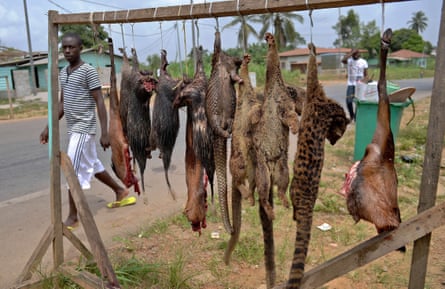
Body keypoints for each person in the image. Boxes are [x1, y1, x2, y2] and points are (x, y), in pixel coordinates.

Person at [40, 32, 132, 229]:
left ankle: (73, 217)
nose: (67, 51)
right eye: (64, 47)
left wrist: (105, 132)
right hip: (73, 128)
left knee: (72, 170)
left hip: (84, 128)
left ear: (80, 48)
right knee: (93, 164)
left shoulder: (88, 71)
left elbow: (99, 100)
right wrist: (50, 126)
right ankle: (120, 191)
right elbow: (62, 103)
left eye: (71, 47)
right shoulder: (64, 72)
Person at [341, 49, 368, 122]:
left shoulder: (363, 62)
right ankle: (351, 115)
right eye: (354, 53)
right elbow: (343, 60)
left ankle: (356, 117)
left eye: (357, 53)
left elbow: (366, 74)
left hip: (360, 84)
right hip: (351, 84)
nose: (356, 54)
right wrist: (351, 53)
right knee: (349, 101)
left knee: (358, 102)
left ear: (359, 53)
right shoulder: (349, 61)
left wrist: (366, 82)